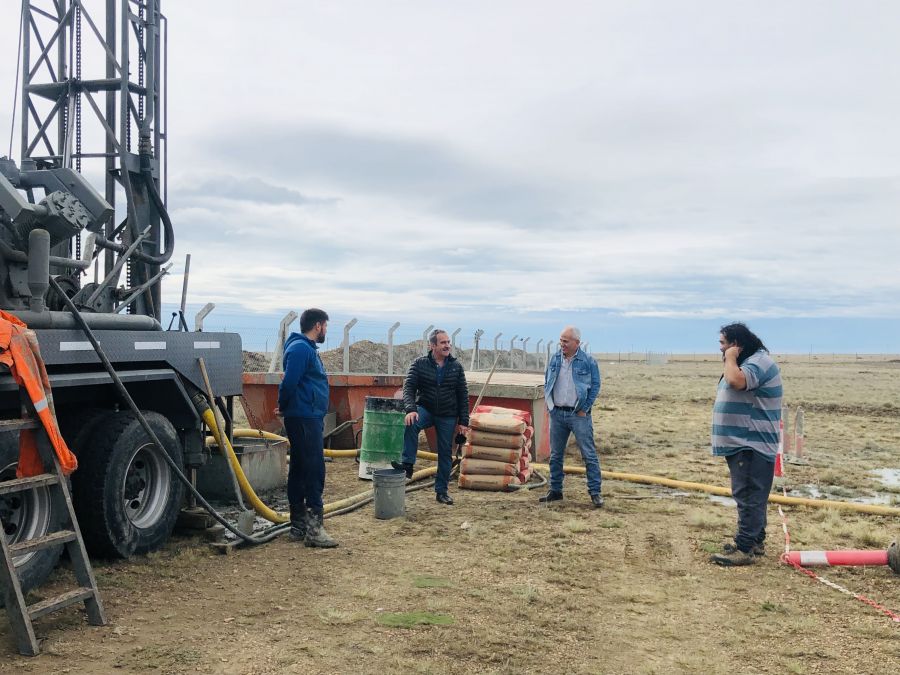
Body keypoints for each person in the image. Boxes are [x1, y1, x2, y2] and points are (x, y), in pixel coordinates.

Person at [710, 322, 783, 566]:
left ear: (737, 344)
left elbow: (736, 382)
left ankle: (744, 548)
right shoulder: (751, 361)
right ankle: (755, 541)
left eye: (723, 343)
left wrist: (730, 358)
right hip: (744, 442)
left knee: (749, 495)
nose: (720, 348)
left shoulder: (758, 362)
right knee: (753, 495)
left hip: (751, 443)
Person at [277, 308, 338, 548]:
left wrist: (284, 406)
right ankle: (313, 530)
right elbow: (289, 381)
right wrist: (283, 405)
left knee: (301, 469)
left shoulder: (303, 348)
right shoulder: (302, 349)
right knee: (314, 470)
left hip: (305, 415)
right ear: (318, 325)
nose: (325, 331)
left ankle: (298, 526)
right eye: (325, 326)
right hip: (304, 417)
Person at [392, 329, 469, 505]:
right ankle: (408, 464)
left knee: (444, 453)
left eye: (448, 342)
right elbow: (408, 388)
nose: (447, 345)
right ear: (432, 345)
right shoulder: (419, 364)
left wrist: (464, 422)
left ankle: (441, 492)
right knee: (412, 422)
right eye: (443, 342)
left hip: (448, 415)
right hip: (426, 408)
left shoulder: (456, 367)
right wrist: (411, 409)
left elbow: (463, 395)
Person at [540, 326, 603, 507]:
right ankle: (555, 490)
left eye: (566, 341)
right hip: (557, 413)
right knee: (555, 455)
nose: (562, 344)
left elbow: (595, 386)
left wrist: (585, 408)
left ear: (577, 343)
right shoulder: (554, 359)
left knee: (588, 455)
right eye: (561, 340)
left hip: (578, 415)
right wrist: (550, 405)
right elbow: (547, 381)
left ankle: (595, 493)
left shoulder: (588, 362)